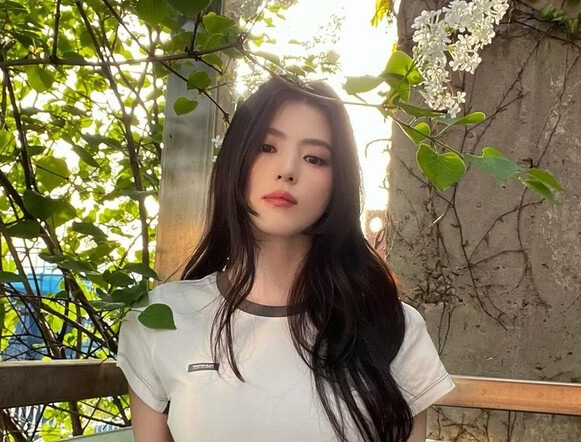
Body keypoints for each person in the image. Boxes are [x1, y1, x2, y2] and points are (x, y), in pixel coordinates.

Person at [116, 77, 454, 442]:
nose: (288, 169)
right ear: (236, 159)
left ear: (338, 181)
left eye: (314, 158)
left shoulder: (390, 326)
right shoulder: (161, 320)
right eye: (266, 147)